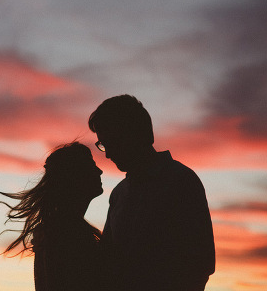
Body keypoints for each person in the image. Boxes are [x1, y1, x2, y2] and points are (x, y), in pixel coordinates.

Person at [88, 94, 215, 291]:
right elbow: (107, 259)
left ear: (139, 135)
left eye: (114, 142)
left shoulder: (181, 181)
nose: (108, 154)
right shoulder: (119, 194)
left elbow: (201, 261)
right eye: (103, 145)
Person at [0, 142, 105, 291]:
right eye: (91, 166)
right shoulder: (67, 231)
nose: (100, 171)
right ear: (74, 176)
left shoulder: (59, 228)